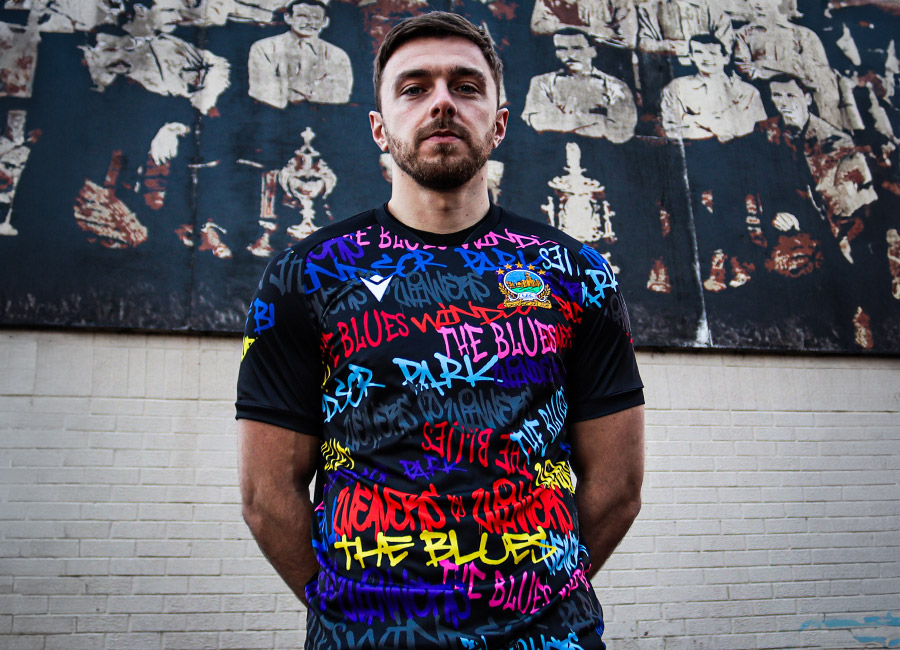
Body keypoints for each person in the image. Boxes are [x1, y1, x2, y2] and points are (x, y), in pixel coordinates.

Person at [236, 11, 645, 650]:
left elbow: (617, 487)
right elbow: (267, 495)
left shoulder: (577, 274)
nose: (442, 103)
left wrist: (538, 597)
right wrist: (348, 609)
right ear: (379, 127)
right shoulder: (304, 276)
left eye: (466, 86)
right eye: (414, 88)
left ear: (499, 123)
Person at [522, 28, 637, 142]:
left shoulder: (615, 85)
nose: (570, 55)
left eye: (577, 48)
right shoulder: (542, 82)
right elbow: (538, 122)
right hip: (553, 147)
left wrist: (560, 119)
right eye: (562, 49)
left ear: (593, 51)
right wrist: (598, 120)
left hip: (599, 148)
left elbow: (622, 131)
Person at [660, 34, 766, 142]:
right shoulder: (677, 87)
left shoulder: (748, 92)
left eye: (712, 53)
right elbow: (671, 128)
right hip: (697, 147)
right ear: (691, 56)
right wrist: (708, 128)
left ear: (726, 58)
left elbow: (758, 129)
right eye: (698, 52)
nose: (706, 58)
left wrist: (691, 120)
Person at [248, 0, 353, 108]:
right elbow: (261, 90)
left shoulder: (337, 55)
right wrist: (314, 90)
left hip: (322, 114)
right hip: (273, 113)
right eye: (302, 16)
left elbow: (341, 95)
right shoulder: (264, 48)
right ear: (288, 18)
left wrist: (291, 88)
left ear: (325, 22)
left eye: (316, 17)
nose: (310, 22)